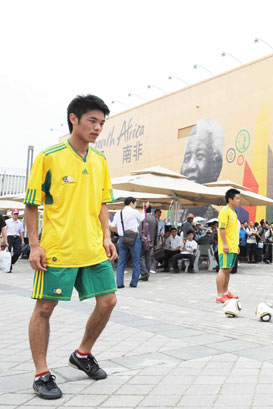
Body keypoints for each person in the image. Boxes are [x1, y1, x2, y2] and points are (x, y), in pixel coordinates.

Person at [23, 94, 118, 399]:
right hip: (58, 249)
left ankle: (83, 354)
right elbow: (31, 205)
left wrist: (106, 236)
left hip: (92, 247)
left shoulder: (100, 160)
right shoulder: (49, 157)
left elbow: (102, 202)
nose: (98, 127)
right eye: (92, 120)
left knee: (108, 302)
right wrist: (34, 245)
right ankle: (41, 373)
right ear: (74, 119)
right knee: (45, 308)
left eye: (102, 122)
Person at [110, 197, 144, 288]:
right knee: (136, 261)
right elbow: (142, 218)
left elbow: (112, 226)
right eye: (135, 203)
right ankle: (133, 283)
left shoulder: (118, 213)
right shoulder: (134, 211)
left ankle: (119, 283)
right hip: (134, 238)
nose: (136, 205)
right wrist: (145, 208)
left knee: (121, 261)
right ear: (131, 203)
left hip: (122, 238)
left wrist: (120, 232)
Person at [216, 188, 241, 303]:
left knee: (229, 269)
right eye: (237, 198)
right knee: (223, 269)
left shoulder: (233, 212)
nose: (239, 200)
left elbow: (233, 231)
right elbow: (222, 228)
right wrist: (225, 244)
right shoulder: (225, 211)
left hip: (233, 246)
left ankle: (226, 292)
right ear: (230, 199)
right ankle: (220, 295)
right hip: (226, 246)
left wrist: (236, 245)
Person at [138, 205, 158, 282]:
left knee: (139, 257)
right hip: (151, 242)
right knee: (148, 258)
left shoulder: (143, 218)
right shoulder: (155, 219)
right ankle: (147, 274)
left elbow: (140, 230)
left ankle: (144, 273)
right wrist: (154, 242)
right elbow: (156, 232)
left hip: (143, 241)